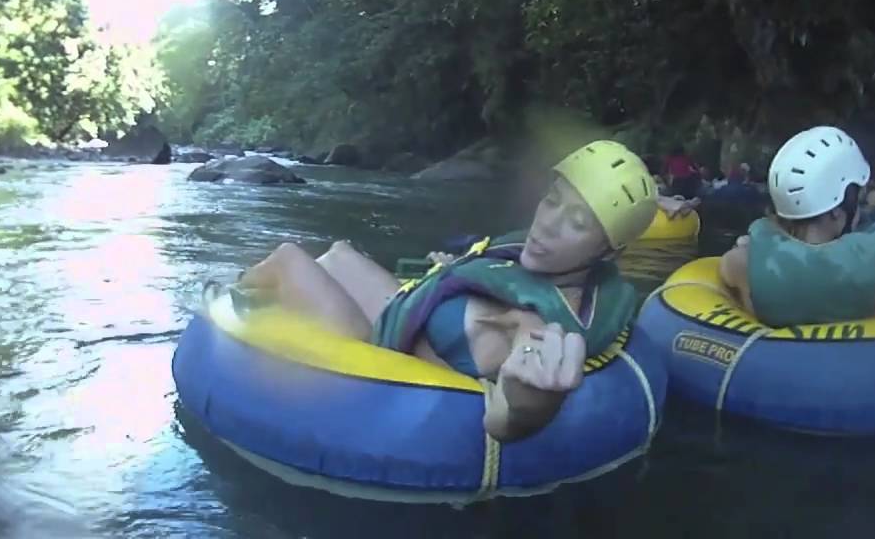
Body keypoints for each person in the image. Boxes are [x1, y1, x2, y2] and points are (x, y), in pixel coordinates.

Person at [235, 140, 658, 442]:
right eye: (552, 200)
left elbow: (502, 422)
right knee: (339, 252)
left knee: (290, 257)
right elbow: (491, 280)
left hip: (373, 350)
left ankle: (225, 300)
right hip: (400, 318)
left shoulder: (537, 328)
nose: (547, 223)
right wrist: (456, 273)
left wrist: (530, 406)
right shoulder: (541, 270)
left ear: (608, 250)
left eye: (578, 223)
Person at [719, 126, 875, 327]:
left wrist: (751, 246)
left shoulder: (742, 263)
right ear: (837, 211)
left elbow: (728, 268)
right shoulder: (870, 272)